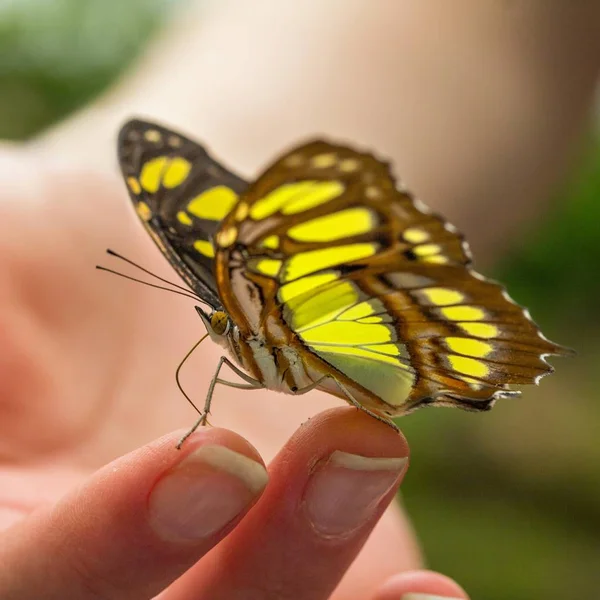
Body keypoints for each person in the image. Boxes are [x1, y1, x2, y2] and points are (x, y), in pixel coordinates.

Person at [1, 2, 598, 598]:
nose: (212, 327)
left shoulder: (250, 292)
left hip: (410, 327)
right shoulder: (245, 296)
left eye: (217, 318)